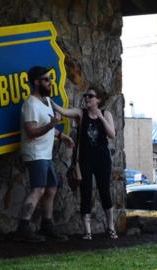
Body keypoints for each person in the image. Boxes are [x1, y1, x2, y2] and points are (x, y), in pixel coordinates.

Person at [15, 66, 74, 242]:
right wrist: (51, 125)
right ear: (36, 82)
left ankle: (46, 225)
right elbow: (32, 131)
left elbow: (49, 126)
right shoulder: (30, 104)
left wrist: (61, 135)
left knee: (51, 188)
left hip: (45, 155)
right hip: (35, 154)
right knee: (38, 189)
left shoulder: (47, 101)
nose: (50, 82)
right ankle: (23, 228)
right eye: (46, 79)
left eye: (50, 79)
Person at [52, 86, 118, 240]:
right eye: (86, 95)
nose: (87, 98)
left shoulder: (106, 114)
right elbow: (64, 111)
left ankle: (111, 227)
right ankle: (87, 232)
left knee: (104, 191)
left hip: (102, 159)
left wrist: (100, 116)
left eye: (90, 96)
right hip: (85, 160)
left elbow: (112, 134)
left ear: (98, 100)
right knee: (85, 192)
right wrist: (50, 102)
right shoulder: (80, 113)